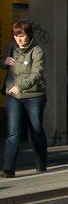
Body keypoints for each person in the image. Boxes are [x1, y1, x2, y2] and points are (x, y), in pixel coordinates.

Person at [2, 19, 47, 177]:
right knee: (13, 132)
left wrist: (21, 85)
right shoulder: (11, 47)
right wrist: (4, 61)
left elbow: (36, 73)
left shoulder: (37, 50)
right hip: (13, 95)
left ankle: (41, 162)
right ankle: (8, 168)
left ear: (29, 35)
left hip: (34, 95)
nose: (19, 39)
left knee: (36, 130)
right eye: (16, 35)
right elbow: (4, 63)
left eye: (22, 35)